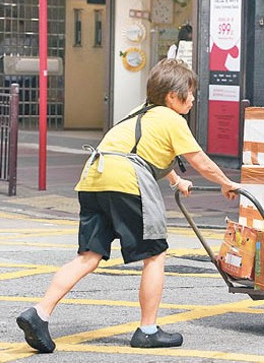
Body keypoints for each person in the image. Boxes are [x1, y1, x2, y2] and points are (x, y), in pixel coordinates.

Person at [16, 58, 241, 353]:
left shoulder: (139, 114)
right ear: (173, 97)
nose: (193, 98)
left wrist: (175, 181)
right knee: (155, 254)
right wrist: (226, 182)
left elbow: (146, 151)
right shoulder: (172, 118)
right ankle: (148, 329)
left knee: (89, 255)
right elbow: (198, 159)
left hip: (94, 178)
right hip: (126, 182)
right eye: (190, 92)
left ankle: (40, 313)